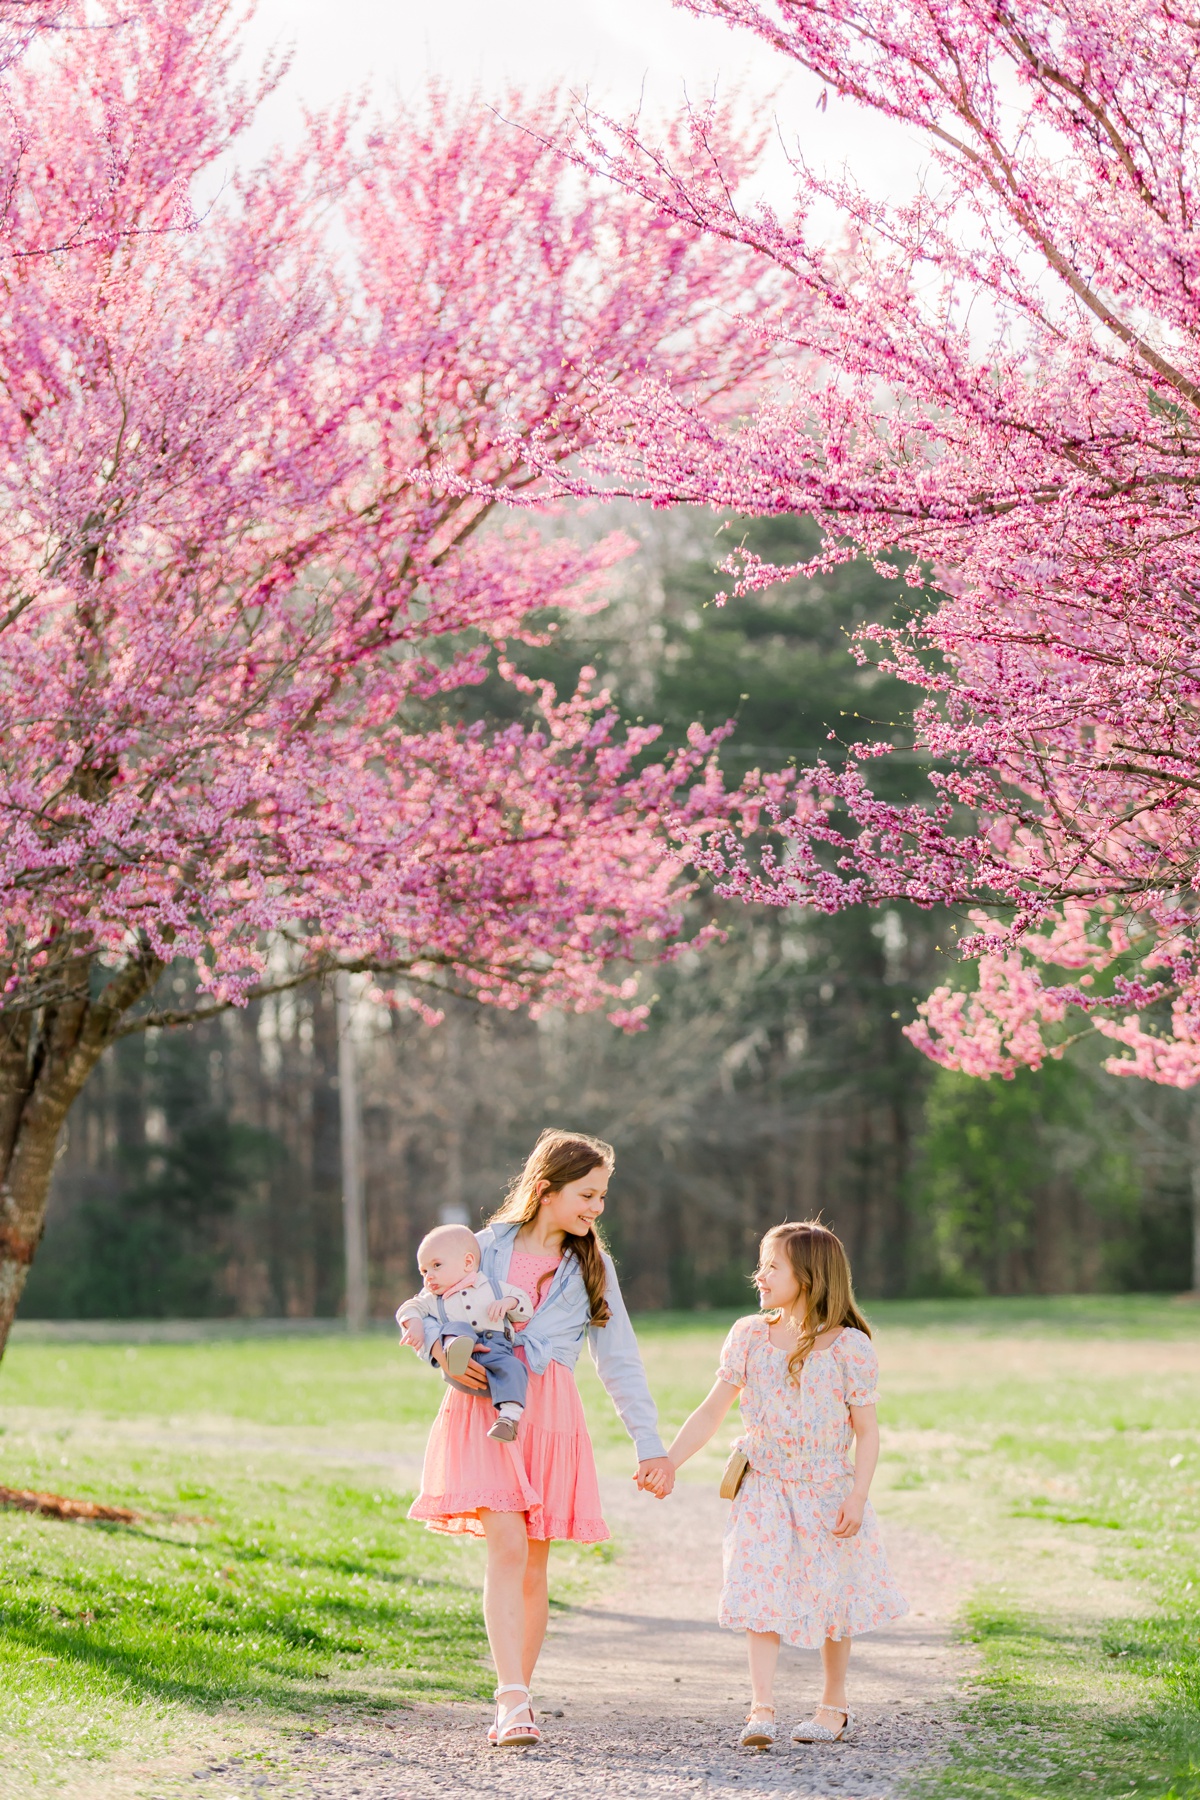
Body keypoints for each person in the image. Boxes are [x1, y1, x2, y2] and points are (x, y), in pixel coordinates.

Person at [404, 1129, 675, 1748]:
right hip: (486, 1412)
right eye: (588, 1194)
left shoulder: (593, 1265)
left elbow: (619, 1358)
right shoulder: (478, 1248)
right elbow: (425, 1311)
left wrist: (649, 1442)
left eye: (602, 1197)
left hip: (550, 1415)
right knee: (505, 1547)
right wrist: (443, 1352)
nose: (596, 1209)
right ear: (547, 1190)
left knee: (532, 1563)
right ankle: (512, 1700)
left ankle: (516, 1697)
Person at [651, 1219, 907, 1749]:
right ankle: (761, 1707)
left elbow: (868, 1430)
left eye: (773, 1266)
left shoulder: (850, 1347)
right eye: (761, 1264)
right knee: (759, 1588)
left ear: (809, 1276)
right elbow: (712, 1410)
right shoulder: (749, 1334)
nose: (759, 1276)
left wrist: (857, 1495)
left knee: (833, 1596)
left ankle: (832, 1704)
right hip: (764, 1487)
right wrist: (669, 1460)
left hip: (826, 1488)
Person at [395, 1223, 533, 1441]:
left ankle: (508, 1419)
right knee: (455, 1328)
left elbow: (525, 1305)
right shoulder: (434, 1300)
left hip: (495, 1349)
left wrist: (508, 1303)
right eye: (423, 1271)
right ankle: (456, 1348)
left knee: (515, 1367)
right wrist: (413, 1324)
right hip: (459, 1365)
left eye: (436, 1265)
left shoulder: (493, 1287)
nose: (428, 1276)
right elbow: (410, 1307)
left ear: (468, 1262)